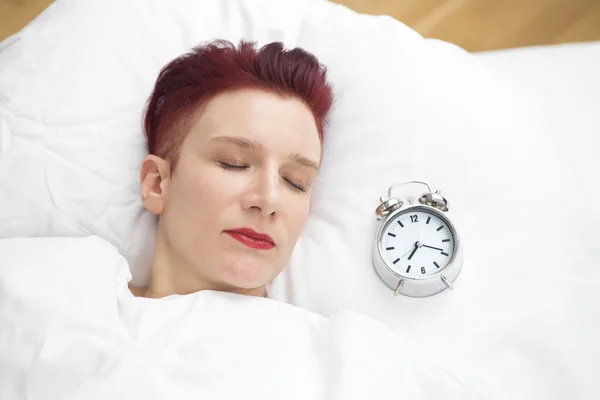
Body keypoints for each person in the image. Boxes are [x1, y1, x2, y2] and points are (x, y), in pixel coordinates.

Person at [129, 40, 334, 299]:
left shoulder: (340, 339)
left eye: (295, 182)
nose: (269, 199)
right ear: (157, 183)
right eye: (234, 164)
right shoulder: (76, 303)